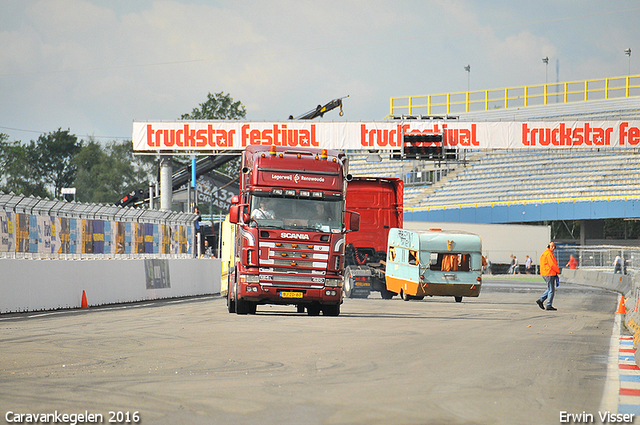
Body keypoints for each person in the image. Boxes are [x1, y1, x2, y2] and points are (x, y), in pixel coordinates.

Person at [536, 242, 560, 311]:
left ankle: (541, 300)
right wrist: (558, 271)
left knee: (550, 289)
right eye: (552, 246)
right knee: (551, 290)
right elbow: (552, 265)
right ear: (550, 246)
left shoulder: (544, 253)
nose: (553, 248)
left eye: (554, 246)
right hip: (549, 273)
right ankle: (548, 305)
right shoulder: (549, 254)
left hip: (545, 273)